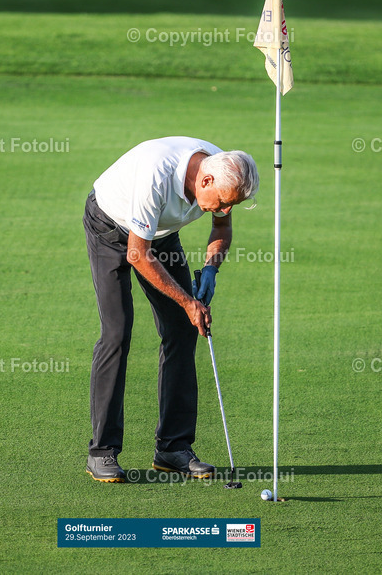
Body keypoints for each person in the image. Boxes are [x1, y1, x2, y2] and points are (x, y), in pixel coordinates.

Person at [82, 136, 259, 482]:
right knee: (117, 333)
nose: (222, 208)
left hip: (159, 236)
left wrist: (211, 268)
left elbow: (222, 227)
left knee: (181, 329)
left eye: (230, 204)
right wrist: (189, 301)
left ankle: (173, 449)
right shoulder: (157, 176)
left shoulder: (223, 174)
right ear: (205, 181)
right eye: (221, 201)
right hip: (109, 226)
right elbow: (137, 253)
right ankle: (101, 451)